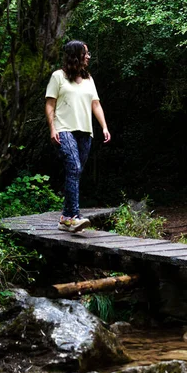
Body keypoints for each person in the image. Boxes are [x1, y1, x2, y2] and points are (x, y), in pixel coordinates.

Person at [45, 40, 111, 232]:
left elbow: (95, 104)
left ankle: (65, 217)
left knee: (76, 171)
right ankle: (74, 216)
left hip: (85, 131)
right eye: (86, 53)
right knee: (74, 166)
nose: (89, 56)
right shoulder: (58, 77)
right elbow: (50, 104)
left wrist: (104, 127)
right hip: (63, 128)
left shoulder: (89, 79)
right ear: (75, 55)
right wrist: (52, 128)